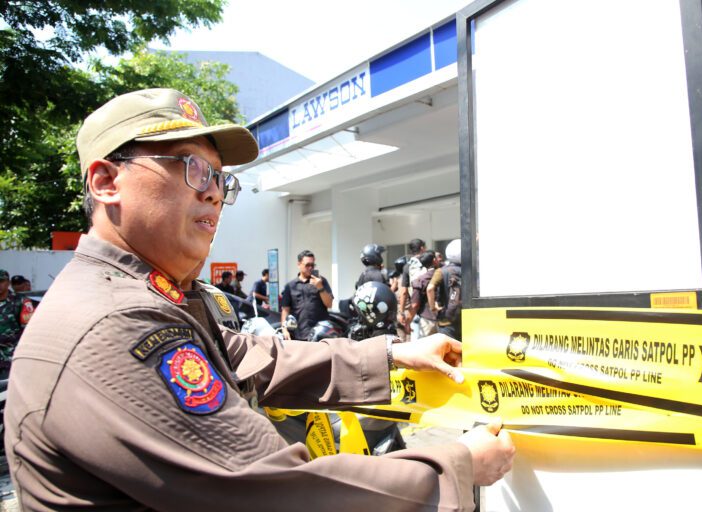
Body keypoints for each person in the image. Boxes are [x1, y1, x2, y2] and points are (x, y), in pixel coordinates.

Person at [4, 88, 515, 511]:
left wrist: (391, 353)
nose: (212, 193)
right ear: (106, 181)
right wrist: (456, 466)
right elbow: (279, 490)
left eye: (219, 179)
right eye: (191, 168)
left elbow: (251, 357)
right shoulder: (117, 322)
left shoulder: (151, 295)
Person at [281, 250, 334, 340]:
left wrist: (320, 287)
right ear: (299, 264)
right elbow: (285, 310)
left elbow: (329, 304)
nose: (310, 268)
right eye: (307, 265)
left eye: (312, 265)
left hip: (320, 334)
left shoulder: (321, 281)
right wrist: (284, 329)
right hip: (299, 335)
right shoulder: (290, 286)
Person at [0, 269, 34, 379]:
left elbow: (29, 331)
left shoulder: (20, 301)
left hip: (11, 359)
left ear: (8, 283)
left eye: (1, 281)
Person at [429, 238, 463, 340]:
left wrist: (433, 307)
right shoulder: (470, 271)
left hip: (446, 319)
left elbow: (430, 288)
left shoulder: (441, 271)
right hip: (465, 318)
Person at [398, 238, 426, 339]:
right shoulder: (429, 262)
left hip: (417, 310)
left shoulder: (407, 266)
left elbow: (404, 292)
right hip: (433, 310)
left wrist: (402, 313)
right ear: (422, 248)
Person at [410, 251, 438, 338]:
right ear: (434, 260)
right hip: (445, 319)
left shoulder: (421, 280)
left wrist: (408, 321)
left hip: (427, 320)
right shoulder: (445, 275)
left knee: (429, 345)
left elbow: (415, 304)